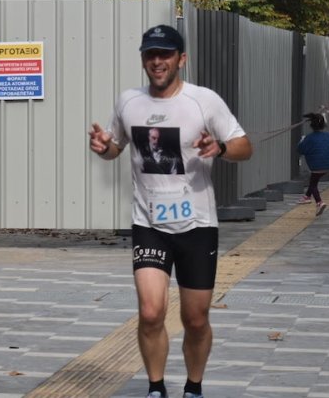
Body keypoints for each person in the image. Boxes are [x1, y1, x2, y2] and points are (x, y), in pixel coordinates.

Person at [88, 24, 252, 398]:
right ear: (143, 60)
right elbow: (117, 145)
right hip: (149, 224)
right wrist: (105, 148)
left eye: (165, 55)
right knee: (150, 313)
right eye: (150, 55)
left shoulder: (203, 101)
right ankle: (155, 388)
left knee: (195, 319)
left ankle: (193, 388)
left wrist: (221, 150)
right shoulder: (129, 101)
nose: (157, 62)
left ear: (181, 59)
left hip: (197, 226)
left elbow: (245, 145)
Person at [296, 112, 329, 215]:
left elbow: (301, 149)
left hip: (316, 165)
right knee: (314, 180)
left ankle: (319, 202)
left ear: (311, 126)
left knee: (313, 184)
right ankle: (307, 197)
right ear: (323, 125)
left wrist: (302, 141)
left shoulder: (309, 138)